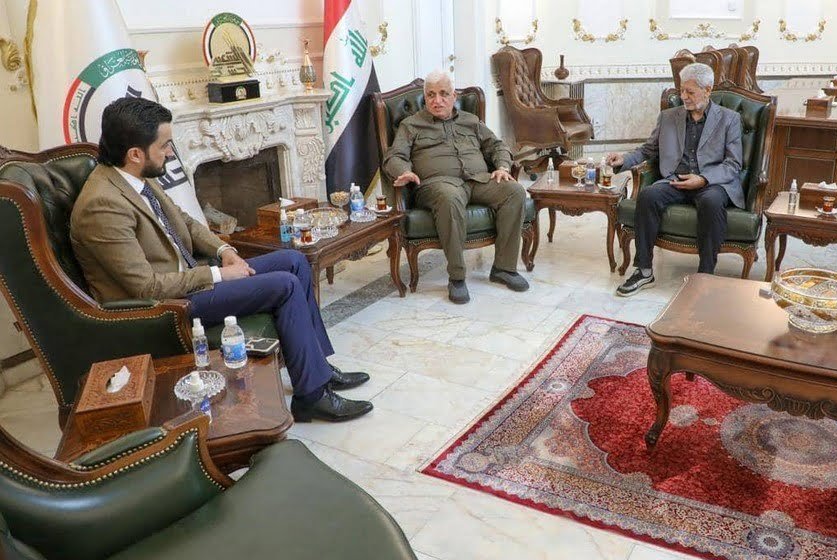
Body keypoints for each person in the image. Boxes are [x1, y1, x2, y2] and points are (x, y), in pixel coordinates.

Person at [70, 97, 373, 423]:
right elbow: (146, 287)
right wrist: (218, 275)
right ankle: (312, 397)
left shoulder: (134, 178)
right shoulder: (102, 205)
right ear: (135, 154)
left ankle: (318, 369)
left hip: (189, 278)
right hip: (168, 305)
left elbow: (186, 222)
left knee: (294, 260)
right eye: (165, 146)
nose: (170, 153)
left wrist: (223, 251)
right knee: (284, 285)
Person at [383, 70, 530, 304]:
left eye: (443, 94)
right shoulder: (410, 125)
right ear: (425, 97)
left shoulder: (470, 121)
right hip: (437, 185)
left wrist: (502, 167)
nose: (437, 100)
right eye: (431, 95)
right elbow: (394, 156)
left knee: (514, 191)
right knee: (450, 197)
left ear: (454, 96)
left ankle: (504, 268)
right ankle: (457, 277)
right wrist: (404, 171)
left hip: (478, 180)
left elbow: (497, 146)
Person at [608, 63, 743, 296]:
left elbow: (733, 164)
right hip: (675, 180)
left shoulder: (729, 119)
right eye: (682, 90)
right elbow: (648, 150)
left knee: (711, 202)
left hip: (711, 182)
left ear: (707, 90)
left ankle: (705, 275)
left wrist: (702, 179)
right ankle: (644, 270)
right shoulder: (668, 117)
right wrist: (624, 159)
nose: (684, 97)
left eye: (690, 92)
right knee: (648, 195)